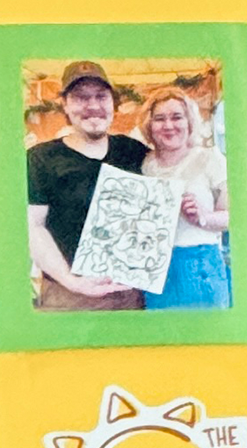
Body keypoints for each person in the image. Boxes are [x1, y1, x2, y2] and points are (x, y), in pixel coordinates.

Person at [26, 60, 148, 310]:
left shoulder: (132, 151)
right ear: (65, 105)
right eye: (81, 98)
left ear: (113, 103)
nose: (93, 106)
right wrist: (71, 281)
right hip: (68, 299)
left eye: (101, 96)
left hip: (130, 296)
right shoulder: (42, 158)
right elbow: (33, 226)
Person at [139, 86, 230, 311]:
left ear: (189, 121)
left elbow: (233, 217)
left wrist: (202, 217)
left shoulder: (210, 159)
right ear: (149, 125)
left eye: (177, 117)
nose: (168, 125)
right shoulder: (145, 165)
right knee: (162, 342)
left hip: (200, 265)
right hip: (155, 271)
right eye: (159, 119)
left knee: (205, 342)